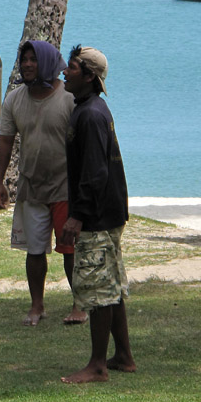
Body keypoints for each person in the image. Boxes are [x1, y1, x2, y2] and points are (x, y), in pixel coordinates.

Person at [0, 40, 86, 327]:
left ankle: (79, 304)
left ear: (46, 62)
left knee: (70, 250)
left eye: (33, 59)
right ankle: (37, 305)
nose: (27, 65)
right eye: (24, 60)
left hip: (65, 187)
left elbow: (85, 145)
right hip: (32, 187)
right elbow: (5, 141)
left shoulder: (69, 98)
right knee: (34, 251)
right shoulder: (15, 99)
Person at [58, 46, 136, 384]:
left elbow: (94, 173)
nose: (64, 71)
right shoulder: (90, 109)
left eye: (72, 67)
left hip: (99, 215)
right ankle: (124, 356)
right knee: (112, 285)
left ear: (89, 76)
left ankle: (98, 365)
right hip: (109, 211)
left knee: (100, 290)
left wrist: (77, 216)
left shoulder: (90, 115)